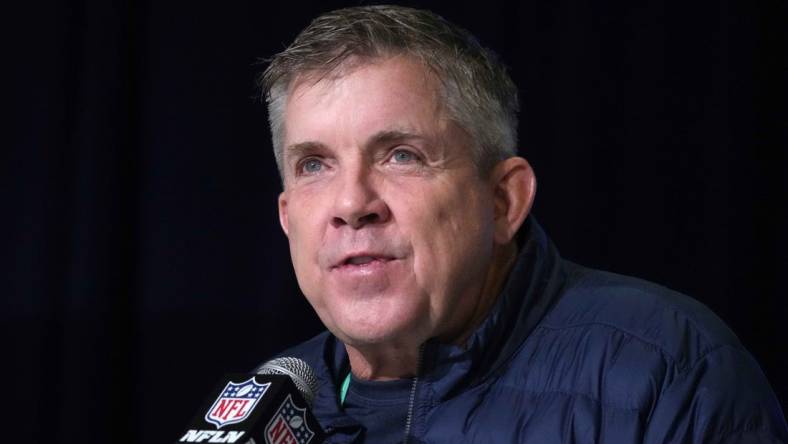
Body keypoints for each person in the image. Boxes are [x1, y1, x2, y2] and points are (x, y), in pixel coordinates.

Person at [257, 5, 787, 443]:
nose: (352, 203)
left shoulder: (670, 372)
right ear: (287, 217)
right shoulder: (267, 406)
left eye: (401, 155)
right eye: (314, 165)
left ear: (503, 201)